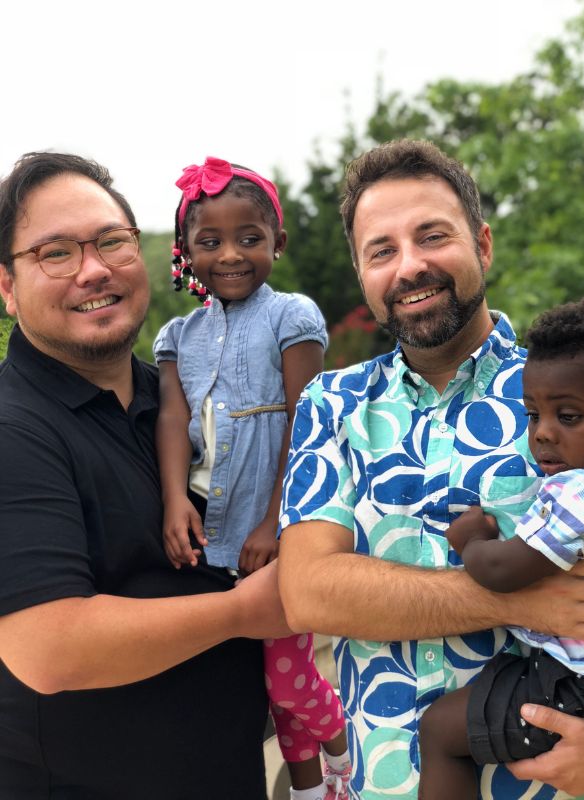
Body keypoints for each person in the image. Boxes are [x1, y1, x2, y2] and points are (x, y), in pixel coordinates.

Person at [277, 139, 584, 799]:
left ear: (482, 245)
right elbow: (309, 591)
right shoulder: (332, 405)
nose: (410, 266)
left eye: (432, 236)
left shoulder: (574, 397)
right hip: (381, 782)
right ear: (362, 273)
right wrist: (522, 597)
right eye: (383, 250)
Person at [0, 151, 293, 800]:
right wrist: (244, 612)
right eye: (55, 253)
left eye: (111, 242)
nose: (94, 269)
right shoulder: (14, 428)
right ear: (7, 286)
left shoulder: (180, 399)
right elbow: (49, 648)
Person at [153, 156, 351, 800]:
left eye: (250, 238)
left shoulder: (291, 316)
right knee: (261, 681)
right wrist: (172, 503)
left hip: (274, 532)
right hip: (209, 536)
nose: (230, 255)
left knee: (289, 681)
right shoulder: (177, 336)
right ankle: (306, 790)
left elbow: (307, 423)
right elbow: (174, 418)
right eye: (210, 242)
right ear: (186, 250)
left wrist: (276, 523)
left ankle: (347, 751)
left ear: (277, 242)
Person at [418, 297, 584, 799]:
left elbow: (504, 571)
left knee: (439, 731)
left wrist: (473, 540)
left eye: (568, 415)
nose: (542, 432)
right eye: (533, 413)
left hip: (579, 689)